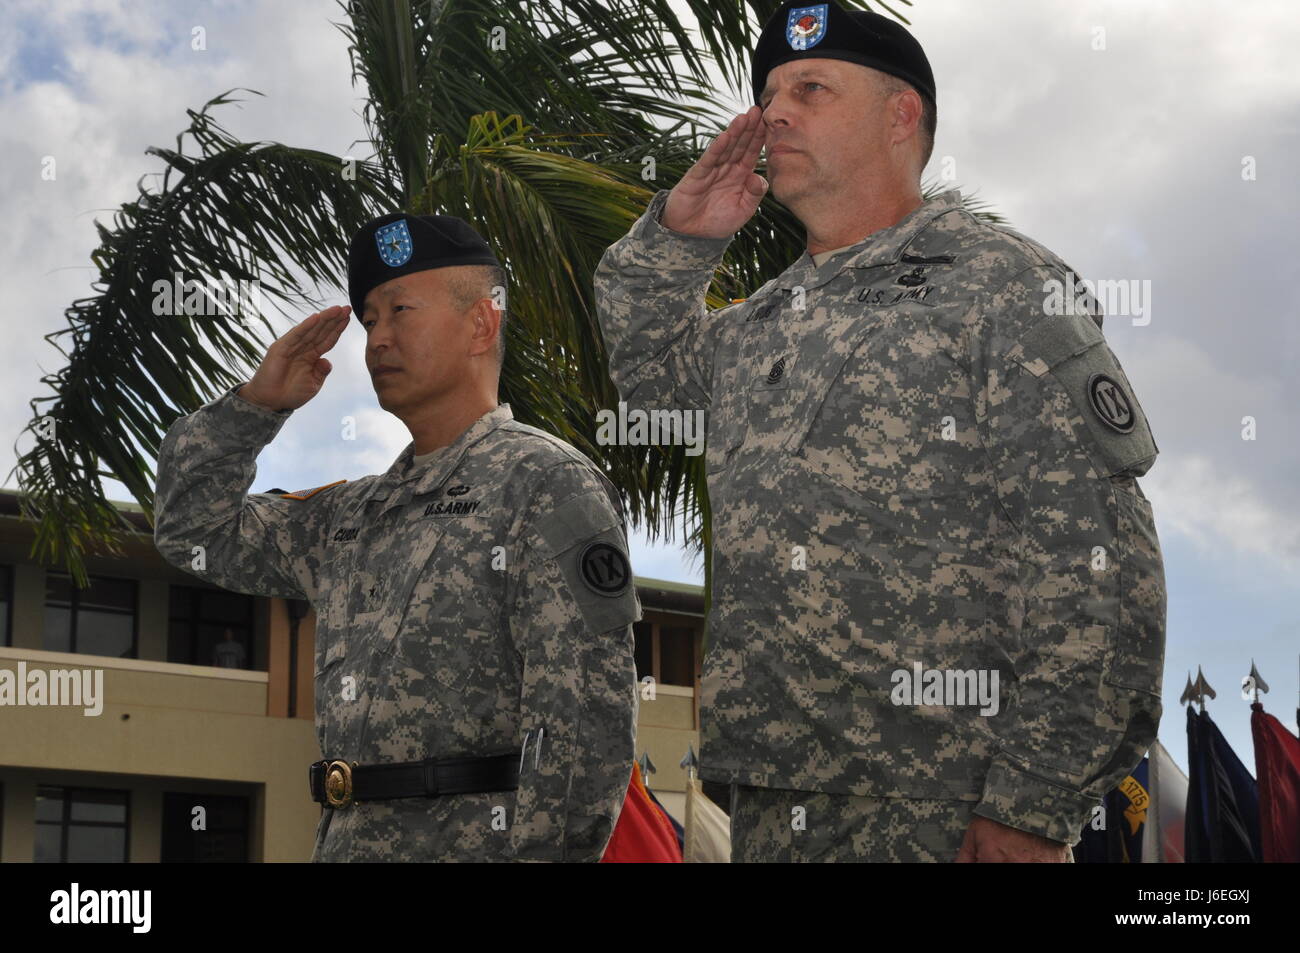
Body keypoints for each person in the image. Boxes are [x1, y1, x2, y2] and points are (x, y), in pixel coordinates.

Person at [593, 0, 1165, 862]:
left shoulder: (998, 284)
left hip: (943, 807)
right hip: (769, 801)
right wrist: (680, 242)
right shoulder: (760, 324)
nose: (773, 112)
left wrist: (1032, 801)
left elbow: (1097, 562)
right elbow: (649, 381)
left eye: (811, 89)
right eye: (770, 92)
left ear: (902, 115)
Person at [155, 211, 640, 861]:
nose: (378, 337)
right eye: (370, 319)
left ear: (480, 323)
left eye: (400, 310)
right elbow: (192, 531)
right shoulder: (352, 515)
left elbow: (584, 732)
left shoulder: (548, 485)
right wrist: (253, 407)